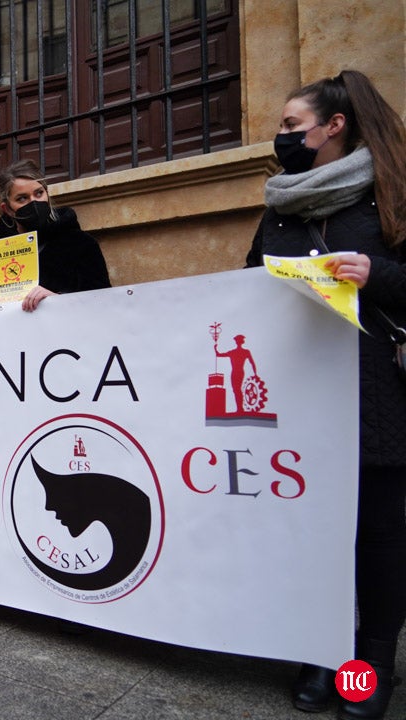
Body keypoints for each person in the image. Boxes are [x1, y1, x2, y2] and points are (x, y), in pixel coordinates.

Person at [245, 70, 406, 720]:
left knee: (378, 538)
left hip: (375, 399)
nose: (281, 139)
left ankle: (370, 665)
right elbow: (244, 287)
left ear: (332, 126)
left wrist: (380, 275)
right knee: (313, 533)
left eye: (291, 127)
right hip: (299, 402)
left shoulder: (387, 196)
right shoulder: (279, 208)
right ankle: (322, 649)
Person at [0, 159, 110, 317]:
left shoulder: (80, 243)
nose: (34, 202)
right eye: (22, 198)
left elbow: (103, 302)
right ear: (7, 209)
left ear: (47, 194)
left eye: (39, 193)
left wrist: (57, 300)